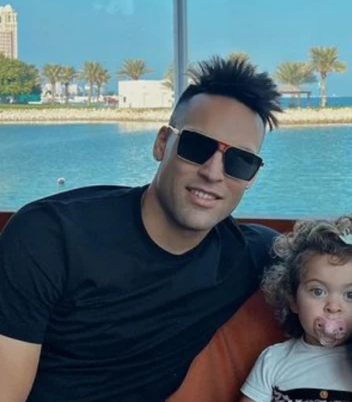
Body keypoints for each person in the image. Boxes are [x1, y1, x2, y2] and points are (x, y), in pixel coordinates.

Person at [0, 56, 283, 402]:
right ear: (162, 143)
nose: (213, 173)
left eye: (240, 161)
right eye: (196, 146)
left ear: (252, 177)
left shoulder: (252, 254)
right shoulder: (50, 238)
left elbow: (335, 263)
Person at [240, 216, 352, 402]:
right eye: (318, 291)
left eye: (351, 295)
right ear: (293, 300)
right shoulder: (273, 359)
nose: (333, 307)